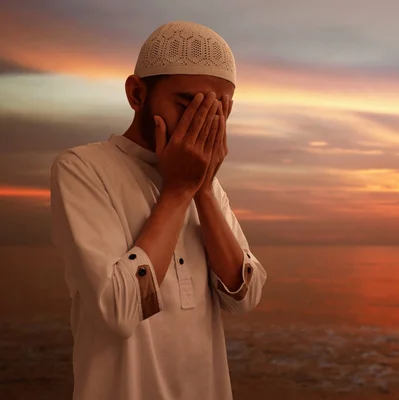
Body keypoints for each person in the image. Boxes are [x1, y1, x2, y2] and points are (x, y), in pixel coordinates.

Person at [50, 21, 267, 400]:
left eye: (218, 111)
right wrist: (178, 191)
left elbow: (244, 296)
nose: (202, 124)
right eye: (187, 105)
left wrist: (201, 189)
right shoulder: (82, 168)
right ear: (137, 94)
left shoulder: (208, 184)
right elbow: (118, 311)